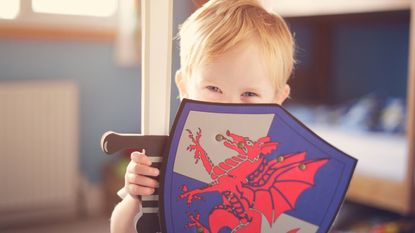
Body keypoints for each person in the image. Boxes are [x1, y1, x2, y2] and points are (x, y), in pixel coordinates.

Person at [110, 0, 295, 232]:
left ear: (278, 99)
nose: (230, 108)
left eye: (249, 93)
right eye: (214, 89)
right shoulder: (165, 154)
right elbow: (120, 229)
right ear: (184, 87)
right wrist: (134, 198)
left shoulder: (278, 163)